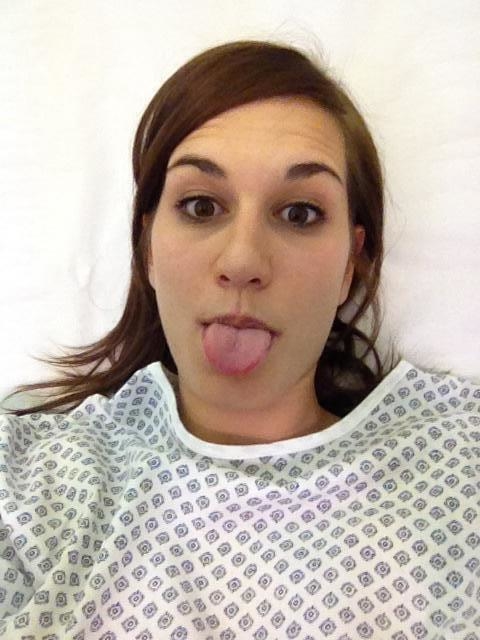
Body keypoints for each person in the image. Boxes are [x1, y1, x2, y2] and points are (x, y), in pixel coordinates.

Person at [0, 40, 478, 640]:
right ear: (148, 248)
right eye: (201, 206)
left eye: (299, 214)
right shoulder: (34, 481)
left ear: (350, 266)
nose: (243, 261)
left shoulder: (461, 456)